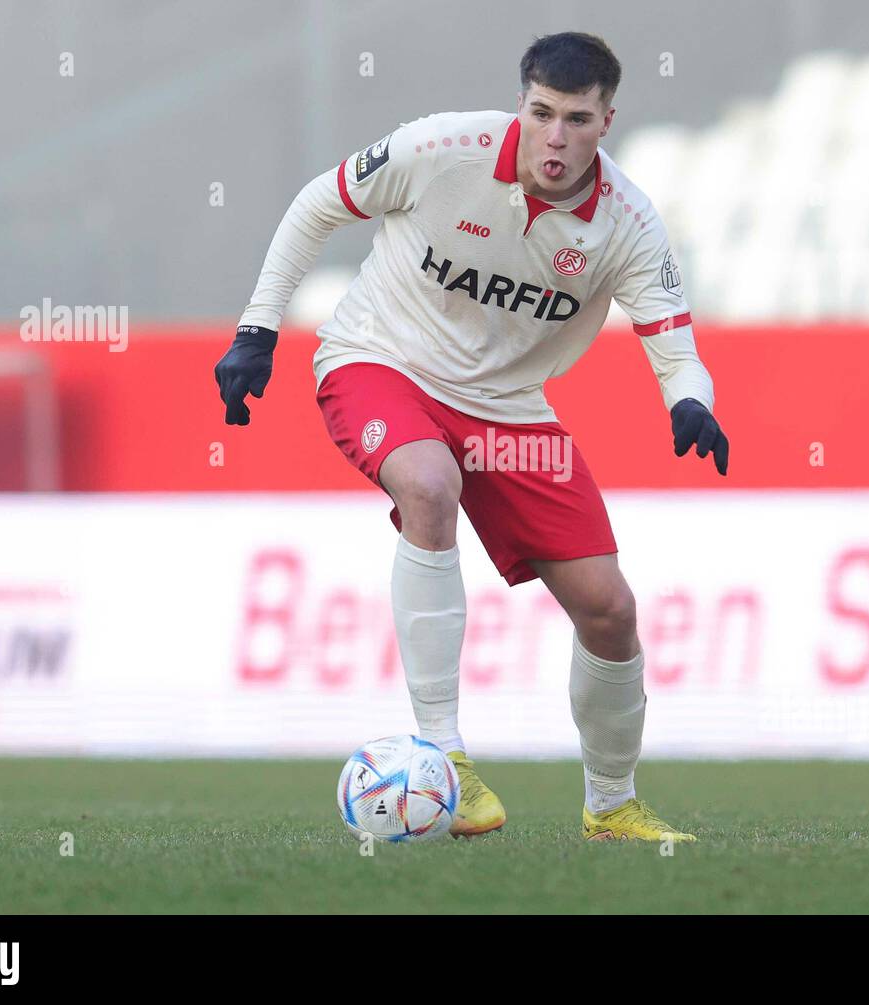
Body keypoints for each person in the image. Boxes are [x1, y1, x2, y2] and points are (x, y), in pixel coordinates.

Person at [216, 32, 727, 841]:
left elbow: (674, 342)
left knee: (610, 611)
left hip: (508, 409)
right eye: (542, 113)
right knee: (426, 482)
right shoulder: (441, 148)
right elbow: (318, 202)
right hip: (382, 359)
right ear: (522, 101)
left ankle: (612, 805)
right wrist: (257, 330)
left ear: (607, 122)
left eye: (578, 120)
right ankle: (445, 753)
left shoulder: (627, 221)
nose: (555, 138)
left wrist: (689, 402)